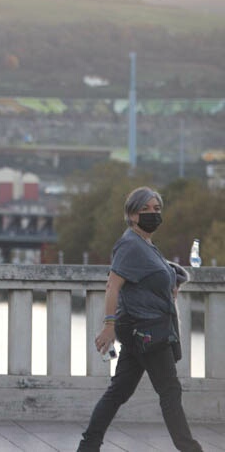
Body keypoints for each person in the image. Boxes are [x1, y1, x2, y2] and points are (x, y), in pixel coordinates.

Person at [77, 187, 203, 452]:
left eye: (156, 209)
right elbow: (113, 285)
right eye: (144, 209)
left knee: (118, 392)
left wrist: (174, 279)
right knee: (170, 393)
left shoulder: (145, 244)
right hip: (148, 332)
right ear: (131, 215)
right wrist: (108, 325)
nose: (152, 214)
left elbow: (153, 274)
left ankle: (88, 446)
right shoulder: (130, 244)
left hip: (143, 332)